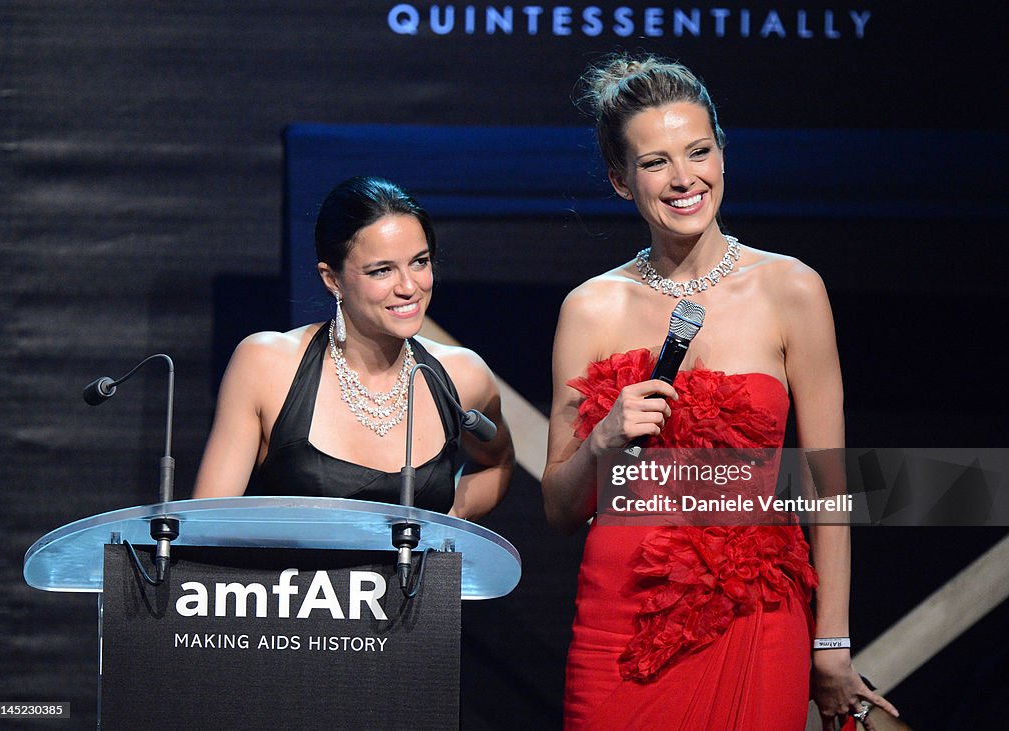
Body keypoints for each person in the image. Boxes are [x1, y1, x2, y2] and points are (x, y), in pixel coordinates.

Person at [541, 54, 898, 730]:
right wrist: (604, 439)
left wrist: (832, 640)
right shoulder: (590, 309)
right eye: (655, 163)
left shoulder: (791, 289)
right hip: (621, 619)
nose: (684, 179)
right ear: (621, 181)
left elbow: (828, 484)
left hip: (755, 614)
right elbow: (561, 506)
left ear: (723, 156)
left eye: (699, 151)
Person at [193, 175, 513, 522]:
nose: (409, 286)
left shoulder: (462, 374)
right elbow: (204, 524)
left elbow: (498, 462)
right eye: (382, 271)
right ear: (332, 279)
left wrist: (449, 516)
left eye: (419, 262)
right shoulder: (267, 364)